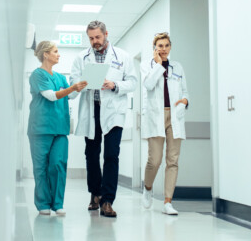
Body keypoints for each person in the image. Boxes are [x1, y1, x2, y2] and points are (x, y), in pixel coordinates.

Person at [69, 20, 137, 218]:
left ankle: (107, 200)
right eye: (91, 38)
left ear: (106, 34)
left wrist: (114, 84)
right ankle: (95, 194)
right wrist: (79, 84)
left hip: (114, 112)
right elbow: (72, 84)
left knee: (111, 155)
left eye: (98, 37)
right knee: (91, 155)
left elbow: (132, 82)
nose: (94, 42)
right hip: (92, 111)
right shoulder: (81, 57)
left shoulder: (122, 56)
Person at [28, 41, 87, 216]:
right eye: (55, 51)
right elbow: (51, 96)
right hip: (40, 129)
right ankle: (43, 204)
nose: (58, 54)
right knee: (41, 167)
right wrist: (72, 88)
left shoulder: (61, 77)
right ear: (45, 54)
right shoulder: (37, 75)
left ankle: (58, 203)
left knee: (59, 165)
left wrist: (83, 86)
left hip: (60, 129)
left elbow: (71, 94)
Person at [140, 32, 190, 215]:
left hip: (174, 115)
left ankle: (168, 201)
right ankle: (147, 187)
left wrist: (185, 100)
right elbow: (148, 85)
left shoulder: (178, 67)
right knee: (155, 160)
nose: (163, 49)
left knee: (173, 160)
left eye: (166, 45)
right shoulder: (147, 65)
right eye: (159, 46)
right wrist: (159, 65)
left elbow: (185, 91)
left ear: (170, 47)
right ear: (154, 48)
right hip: (156, 116)